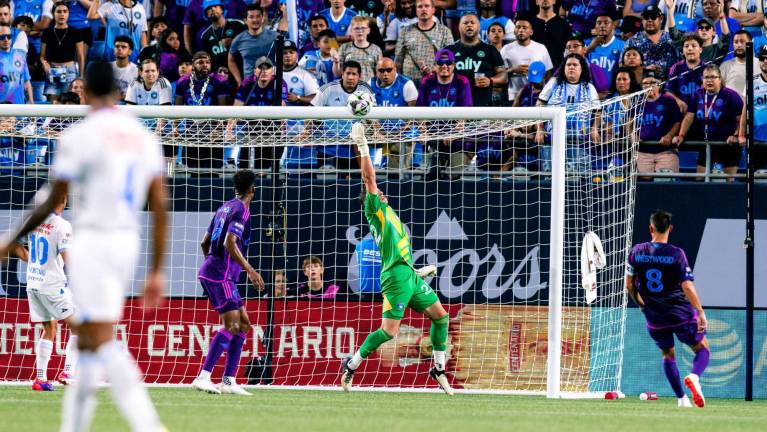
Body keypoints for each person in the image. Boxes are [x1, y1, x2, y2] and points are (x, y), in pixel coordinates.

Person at [0, 60, 168, 431]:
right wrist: (156, 269)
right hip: (128, 243)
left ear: (85, 91)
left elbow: (51, 201)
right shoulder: (142, 135)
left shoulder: (80, 135)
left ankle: (149, 425)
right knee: (90, 343)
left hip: (92, 240)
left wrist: (9, 240)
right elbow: (159, 204)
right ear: (120, 91)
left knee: (97, 337)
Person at [341, 120, 452, 395]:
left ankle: (438, 369)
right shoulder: (374, 210)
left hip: (409, 276)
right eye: (377, 193)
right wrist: (362, 143)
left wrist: (416, 273)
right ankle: (352, 364)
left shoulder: (395, 220)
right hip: (395, 279)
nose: (381, 192)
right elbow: (369, 178)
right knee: (389, 332)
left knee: (441, 317)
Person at [190, 169, 264, 396]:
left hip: (217, 272)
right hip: (221, 274)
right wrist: (249, 270)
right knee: (231, 325)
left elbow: (204, 242)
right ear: (253, 189)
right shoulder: (241, 210)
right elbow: (230, 243)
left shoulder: (225, 207)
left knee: (243, 323)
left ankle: (229, 380)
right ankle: (203, 376)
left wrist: (212, 267)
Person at [625, 210, 709, 408]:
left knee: (667, 355)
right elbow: (687, 286)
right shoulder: (676, 254)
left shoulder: (637, 251)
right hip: (680, 313)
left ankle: (681, 399)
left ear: (650, 228)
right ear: (670, 229)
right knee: (702, 349)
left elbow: (629, 285)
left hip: (654, 315)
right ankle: (694, 377)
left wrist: (641, 305)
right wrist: (701, 312)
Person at [25, 192, 78, 391]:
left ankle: (40, 379)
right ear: (63, 201)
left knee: (50, 328)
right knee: (80, 327)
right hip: (52, 285)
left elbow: (14, 245)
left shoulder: (34, 220)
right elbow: (67, 257)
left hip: (33, 283)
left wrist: (32, 262)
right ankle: (68, 372)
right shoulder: (62, 225)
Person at [302, 60, 375, 174]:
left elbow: (374, 114)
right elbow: (310, 111)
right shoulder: (328, 89)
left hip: (353, 146)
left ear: (359, 76)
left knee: (353, 180)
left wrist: (377, 130)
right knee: (328, 182)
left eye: (354, 74)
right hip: (329, 144)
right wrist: (306, 130)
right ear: (342, 74)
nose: (350, 77)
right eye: (348, 73)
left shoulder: (365, 90)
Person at [672, 64, 744, 178]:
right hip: (706, 143)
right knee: (700, 179)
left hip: (727, 144)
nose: (709, 80)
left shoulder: (731, 95)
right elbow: (689, 116)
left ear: (720, 79)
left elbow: (741, 118)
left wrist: (735, 135)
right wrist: (681, 135)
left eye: (713, 77)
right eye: (706, 77)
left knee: (728, 183)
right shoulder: (698, 94)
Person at [535, 53, 601, 174]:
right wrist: (539, 128)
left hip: (579, 142)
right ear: (563, 68)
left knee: (577, 179)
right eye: (568, 65)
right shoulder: (554, 83)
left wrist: (594, 129)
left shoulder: (589, 87)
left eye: (575, 65)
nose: (571, 67)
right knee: (550, 177)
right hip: (552, 140)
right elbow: (540, 105)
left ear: (582, 69)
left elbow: (598, 112)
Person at [417, 48, 474, 178]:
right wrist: (423, 131)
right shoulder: (427, 81)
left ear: (453, 65)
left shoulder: (462, 81)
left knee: (454, 176)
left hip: (456, 137)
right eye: (440, 63)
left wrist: (453, 133)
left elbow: (466, 113)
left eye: (448, 63)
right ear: (435, 65)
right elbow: (419, 110)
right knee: (428, 175)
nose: (444, 66)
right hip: (432, 137)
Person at [445, 13, 506, 107]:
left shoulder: (490, 50)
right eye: (465, 23)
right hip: (454, 104)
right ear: (458, 27)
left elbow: (503, 76)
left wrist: (490, 80)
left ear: (479, 27)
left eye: (472, 22)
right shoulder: (449, 50)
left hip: (482, 105)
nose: (469, 25)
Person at [369, 56, 418, 172]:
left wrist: (398, 134)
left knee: (393, 172)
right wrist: (377, 130)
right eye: (381, 71)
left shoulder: (406, 84)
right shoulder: (370, 84)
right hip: (379, 132)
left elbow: (414, 115)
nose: (385, 74)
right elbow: (368, 113)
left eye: (389, 70)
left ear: (395, 69)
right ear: (377, 72)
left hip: (403, 133)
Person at [395, 0, 453, 87]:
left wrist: (435, 70)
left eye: (427, 6)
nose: (423, 9)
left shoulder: (444, 31)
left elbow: (450, 59)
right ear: (416, 10)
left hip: (436, 84)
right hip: (409, 86)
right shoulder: (405, 31)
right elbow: (398, 61)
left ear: (433, 10)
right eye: (420, 7)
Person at [638, 69, 683, 177]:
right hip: (643, 152)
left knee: (665, 184)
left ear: (660, 85)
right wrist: (633, 135)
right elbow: (628, 122)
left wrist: (669, 135)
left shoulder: (669, 100)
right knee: (644, 185)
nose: (649, 86)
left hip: (666, 151)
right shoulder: (636, 103)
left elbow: (677, 122)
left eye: (653, 82)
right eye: (645, 83)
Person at [40, 1, 85, 102]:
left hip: (70, 70)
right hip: (52, 70)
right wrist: (44, 63)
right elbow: (42, 56)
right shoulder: (47, 32)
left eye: (65, 11)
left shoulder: (75, 32)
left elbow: (81, 56)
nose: (62, 14)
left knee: (69, 102)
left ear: (69, 13)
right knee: (53, 102)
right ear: (53, 14)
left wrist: (81, 76)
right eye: (59, 11)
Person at [500, 15, 552, 102]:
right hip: (512, 95)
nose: (521, 30)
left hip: (535, 95)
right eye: (518, 27)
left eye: (524, 28)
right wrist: (513, 70)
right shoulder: (505, 49)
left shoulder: (541, 48)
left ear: (531, 32)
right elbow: (499, 73)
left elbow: (548, 73)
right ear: (514, 31)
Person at [228, 4, 278, 86]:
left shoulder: (275, 37)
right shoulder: (238, 39)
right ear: (245, 20)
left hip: (271, 84)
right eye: (251, 17)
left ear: (262, 19)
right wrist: (239, 81)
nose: (255, 20)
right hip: (249, 85)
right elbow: (231, 60)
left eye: (258, 16)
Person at [626, 5, 679, 75]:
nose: (649, 20)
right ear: (642, 20)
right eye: (646, 17)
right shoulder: (632, 41)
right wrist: (644, 69)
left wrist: (670, 11)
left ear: (661, 19)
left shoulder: (671, 38)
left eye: (653, 17)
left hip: (669, 83)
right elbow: (623, 66)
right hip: (643, 84)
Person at [199, 0, 246, 72]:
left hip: (242, 69)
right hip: (220, 74)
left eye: (215, 6)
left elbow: (251, 43)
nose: (213, 9)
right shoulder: (205, 35)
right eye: (209, 8)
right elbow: (206, 60)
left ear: (222, 10)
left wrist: (234, 42)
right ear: (206, 15)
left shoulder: (238, 25)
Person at [334, 15, 381, 83]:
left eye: (363, 28)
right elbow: (337, 74)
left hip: (369, 89)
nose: (360, 31)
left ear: (368, 30)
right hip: (349, 88)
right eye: (357, 28)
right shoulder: (344, 48)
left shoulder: (376, 49)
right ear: (351, 30)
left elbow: (379, 74)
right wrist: (336, 62)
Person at [666, 33, 706, 113]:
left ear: (701, 49)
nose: (690, 49)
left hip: (701, 111)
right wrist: (678, 102)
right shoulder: (676, 68)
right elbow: (667, 91)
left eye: (694, 46)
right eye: (686, 46)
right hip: (680, 111)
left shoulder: (707, 68)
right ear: (683, 51)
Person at [562, 32, 610, 97]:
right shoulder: (561, 69)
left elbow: (604, 93)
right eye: (568, 47)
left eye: (575, 46)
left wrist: (585, 100)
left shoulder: (595, 69)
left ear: (584, 50)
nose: (571, 49)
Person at [585, 8, 624, 83]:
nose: (602, 25)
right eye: (599, 23)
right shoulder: (587, 43)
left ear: (613, 26)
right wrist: (590, 47)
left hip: (612, 92)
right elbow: (573, 59)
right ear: (595, 26)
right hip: (591, 90)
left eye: (606, 23)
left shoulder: (622, 45)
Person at [530, 0, 570, 68]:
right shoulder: (529, 23)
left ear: (554, 1)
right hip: (534, 69)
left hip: (557, 69)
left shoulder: (564, 24)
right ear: (536, 2)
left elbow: (568, 48)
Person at [0, 23, 34, 103]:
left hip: (20, 108)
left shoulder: (20, 55)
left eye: (9, 36)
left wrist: (31, 102)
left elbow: (26, 81)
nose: (6, 39)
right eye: (2, 37)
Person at [720, 30, 758, 95]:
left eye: (742, 41)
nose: (739, 45)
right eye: (736, 42)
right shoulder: (725, 66)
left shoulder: (761, 64)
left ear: (750, 43)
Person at [110, 35, 138, 101]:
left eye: (123, 47)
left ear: (130, 51)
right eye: (117, 46)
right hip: (109, 105)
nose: (119, 49)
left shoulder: (136, 70)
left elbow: (138, 94)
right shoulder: (106, 68)